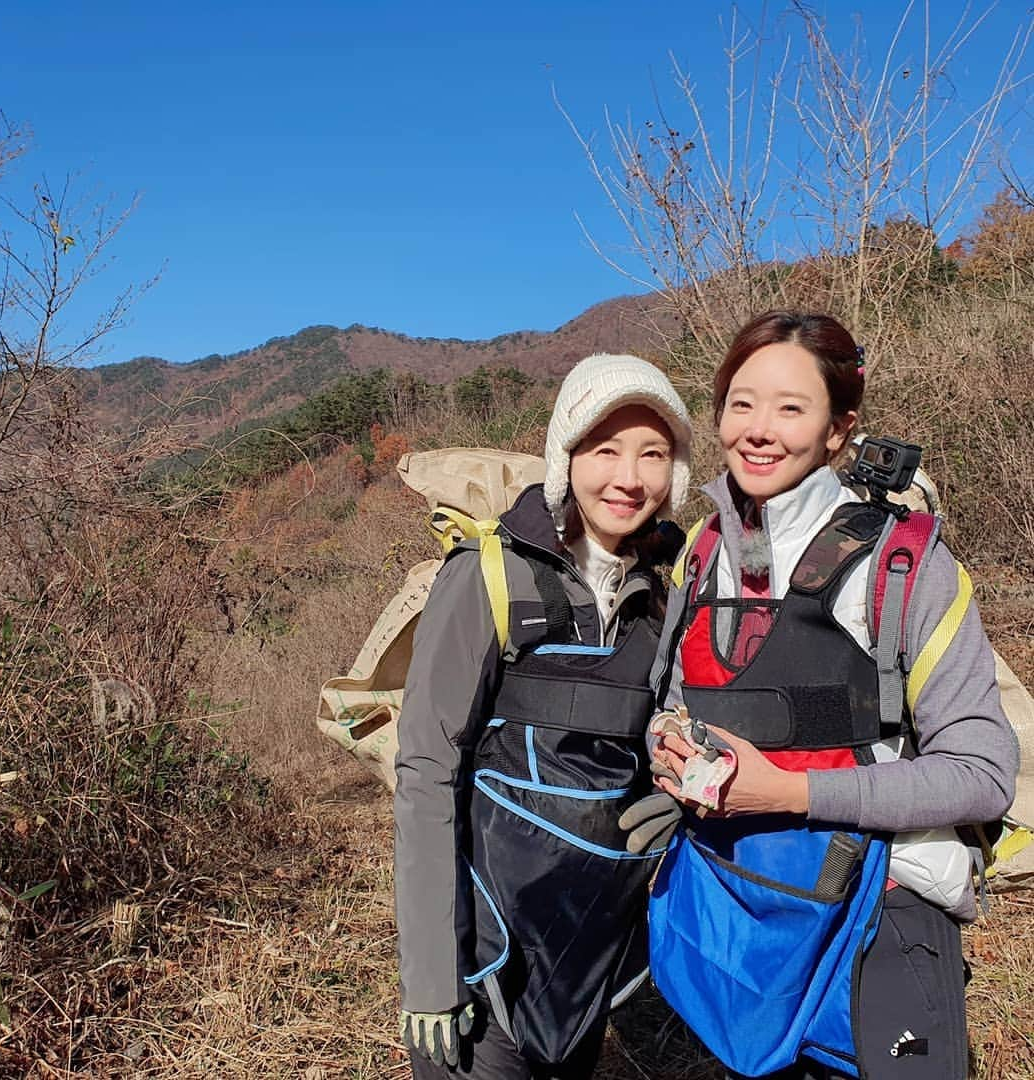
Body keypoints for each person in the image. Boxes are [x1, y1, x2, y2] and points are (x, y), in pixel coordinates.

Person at [645, 311, 1018, 1080]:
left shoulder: (903, 565)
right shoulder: (702, 554)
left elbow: (982, 772)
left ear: (840, 430)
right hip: (740, 902)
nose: (758, 429)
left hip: (877, 909)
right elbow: (677, 702)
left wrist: (786, 790)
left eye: (791, 407)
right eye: (740, 403)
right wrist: (667, 746)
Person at [394, 353, 693, 1079]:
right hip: (484, 961)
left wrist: (683, 785)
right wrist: (432, 976)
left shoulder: (670, 591)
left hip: (588, 952)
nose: (629, 476)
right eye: (604, 449)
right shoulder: (491, 574)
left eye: (653, 453)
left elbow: (676, 726)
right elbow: (427, 770)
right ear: (566, 456)